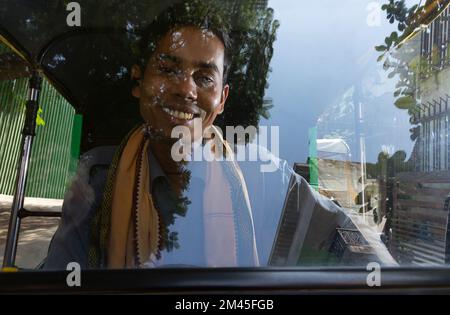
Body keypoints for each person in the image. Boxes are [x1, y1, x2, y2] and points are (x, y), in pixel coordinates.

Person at [44, 1, 259, 269]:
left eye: (204, 78)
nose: (186, 89)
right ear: (138, 81)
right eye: (168, 70)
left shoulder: (261, 175)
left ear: (222, 99)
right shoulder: (98, 175)